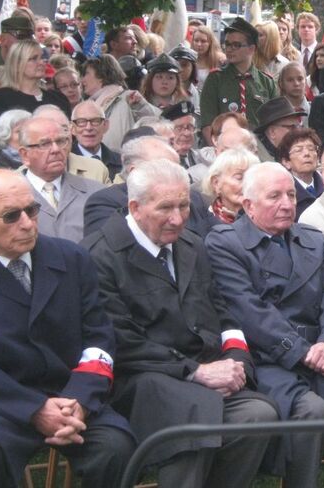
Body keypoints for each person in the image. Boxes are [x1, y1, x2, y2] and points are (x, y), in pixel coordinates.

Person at [82, 161, 277, 488]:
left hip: (203, 371)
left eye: (184, 205)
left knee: (258, 415)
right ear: (135, 207)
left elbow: (222, 310)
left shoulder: (191, 244)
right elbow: (122, 341)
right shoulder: (98, 255)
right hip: (141, 378)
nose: (178, 218)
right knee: (192, 419)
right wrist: (194, 371)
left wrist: (237, 363)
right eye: (166, 208)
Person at [205, 162, 324, 488]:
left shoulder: (311, 240)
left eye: (291, 195)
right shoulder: (225, 243)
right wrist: (304, 352)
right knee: (312, 413)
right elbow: (250, 312)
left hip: (322, 353)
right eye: (274, 196)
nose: (286, 203)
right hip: (269, 358)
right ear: (248, 205)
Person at [0, 169, 134, 488]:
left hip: (70, 395)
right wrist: (33, 409)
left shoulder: (71, 257)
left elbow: (99, 338)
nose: (28, 223)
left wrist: (80, 400)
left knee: (116, 447)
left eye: (32, 210)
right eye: (11, 216)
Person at [83, 134, 217, 238]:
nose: (177, 220)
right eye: (163, 171)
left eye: (177, 170)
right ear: (134, 172)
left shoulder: (194, 199)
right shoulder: (104, 203)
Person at [19, 117, 105, 243]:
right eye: (45, 144)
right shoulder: (7, 198)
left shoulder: (97, 193)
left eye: (60, 141)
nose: (56, 150)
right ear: (25, 154)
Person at [200, 18, 279, 141]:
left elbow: (275, 124)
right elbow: (208, 124)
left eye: (236, 45)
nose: (229, 49)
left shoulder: (266, 82)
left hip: (259, 149)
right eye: (227, 44)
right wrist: (219, 150)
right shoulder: (215, 79)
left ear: (251, 49)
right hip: (225, 147)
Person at [0, 39, 71, 131]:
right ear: (17, 64)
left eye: (42, 57)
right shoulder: (0, 98)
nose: (42, 62)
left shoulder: (58, 98)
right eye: (34, 58)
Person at [81, 54, 159, 152]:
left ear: (101, 75)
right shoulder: (87, 106)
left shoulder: (129, 97)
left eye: (86, 74)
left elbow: (153, 122)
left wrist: (139, 106)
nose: (82, 80)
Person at [202, 148, 260, 224]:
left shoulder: (267, 220)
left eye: (252, 178)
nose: (248, 184)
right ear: (216, 183)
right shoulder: (203, 221)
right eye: (239, 178)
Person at [277, 127, 323, 220]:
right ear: (286, 162)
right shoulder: (285, 196)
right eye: (298, 150)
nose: (307, 153)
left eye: (311, 148)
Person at [70, 100, 123, 181]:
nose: (88, 128)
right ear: (72, 128)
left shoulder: (120, 162)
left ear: (105, 125)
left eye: (95, 121)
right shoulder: (65, 163)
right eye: (81, 122)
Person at [253, 96, 305, 162]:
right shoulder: (256, 160)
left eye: (298, 126)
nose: (297, 131)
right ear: (272, 132)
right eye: (292, 127)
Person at [161, 101, 201, 169]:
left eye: (190, 127)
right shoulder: (160, 163)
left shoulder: (203, 159)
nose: (187, 133)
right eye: (179, 128)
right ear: (167, 132)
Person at [169, 44, 200, 112]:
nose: (180, 69)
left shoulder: (194, 92)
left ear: (193, 68)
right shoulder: (164, 89)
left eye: (184, 65)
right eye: (176, 64)